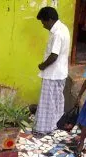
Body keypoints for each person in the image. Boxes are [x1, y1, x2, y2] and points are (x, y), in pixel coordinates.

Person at [34, 7, 70, 137]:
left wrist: (42, 66)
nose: (43, 26)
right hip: (60, 73)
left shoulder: (58, 33)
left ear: (49, 20)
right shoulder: (63, 28)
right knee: (56, 101)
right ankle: (55, 126)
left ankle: (45, 129)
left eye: (43, 22)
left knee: (48, 102)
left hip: (53, 73)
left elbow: (54, 55)